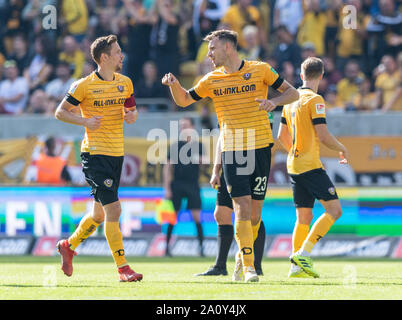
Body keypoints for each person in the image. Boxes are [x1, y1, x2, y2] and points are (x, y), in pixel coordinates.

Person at [162, 29, 299, 282]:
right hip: (233, 149)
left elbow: (294, 93)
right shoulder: (210, 80)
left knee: (255, 215)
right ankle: (248, 268)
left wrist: (274, 102)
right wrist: (174, 85)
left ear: (228, 47)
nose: (209, 54)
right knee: (241, 207)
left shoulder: (261, 70)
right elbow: (183, 100)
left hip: (261, 148)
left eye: (212, 48)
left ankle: (240, 259)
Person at [54, 34, 142, 282]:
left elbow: (132, 111)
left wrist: (131, 116)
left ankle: (68, 246)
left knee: (99, 215)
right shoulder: (83, 85)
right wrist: (85, 121)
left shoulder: (125, 82)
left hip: (116, 153)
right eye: (117, 52)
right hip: (94, 155)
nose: (121, 55)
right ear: (104, 57)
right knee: (113, 209)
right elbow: (60, 112)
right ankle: (123, 268)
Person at [277, 57, 349, 278]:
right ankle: (304, 254)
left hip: (294, 164)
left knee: (303, 218)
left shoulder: (290, 100)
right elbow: (324, 136)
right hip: (309, 165)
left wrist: (294, 152)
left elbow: (281, 136)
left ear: (301, 75)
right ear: (322, 76)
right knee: (335, 210)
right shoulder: (315, 100)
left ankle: (295, 266)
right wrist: (341, 148)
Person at [194, 133, 266, 277]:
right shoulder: (227, 112)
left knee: (253, 215)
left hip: (255, 156)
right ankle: (220, 266)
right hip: (231, 159)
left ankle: (254, 264)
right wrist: (216, 170)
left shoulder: (260, 113)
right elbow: (222, 137)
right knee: (221, 214)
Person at [163, 117, 207, 257]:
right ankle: (166, 248)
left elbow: (206, 162)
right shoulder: (175, 146)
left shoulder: (198, 145)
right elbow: (167, 167)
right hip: (177, 184)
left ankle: (201, 248)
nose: (183, 128)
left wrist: (198, 159)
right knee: (172, 217)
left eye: (186, 126)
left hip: (193, 184)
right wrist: (167, 188)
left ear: (193, 127)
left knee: (196, 217)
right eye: (182, 126)